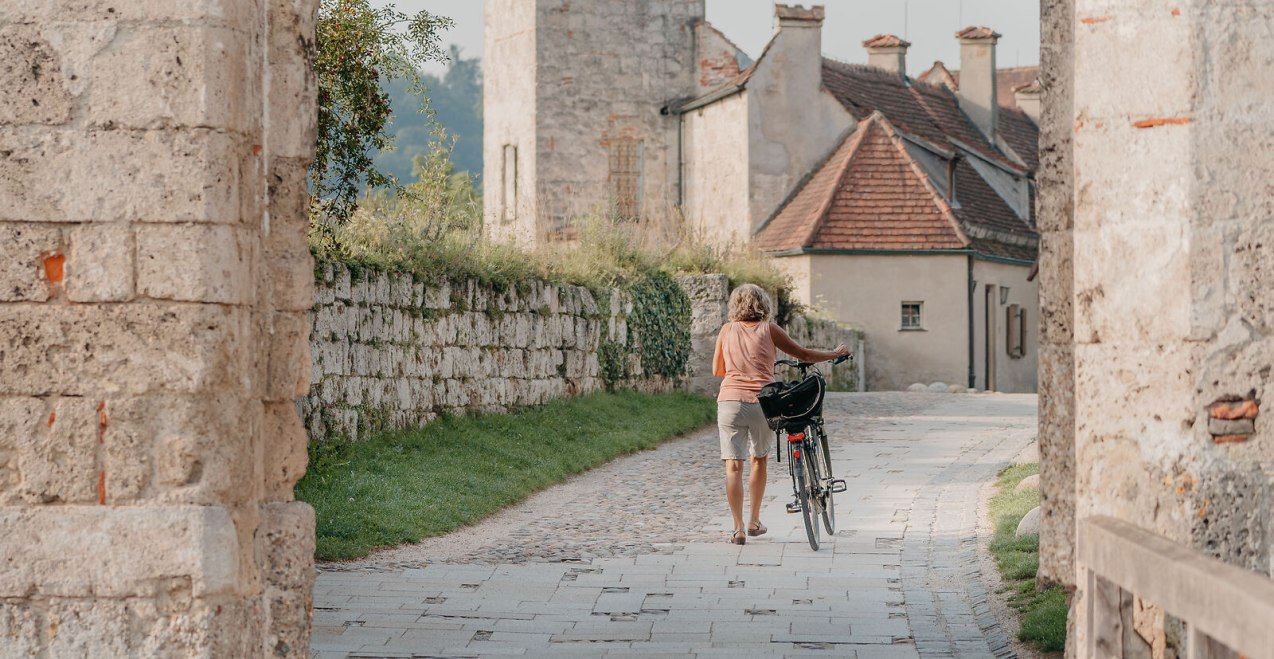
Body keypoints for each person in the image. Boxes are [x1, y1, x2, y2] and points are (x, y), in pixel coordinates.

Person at [712, 284, 849, 545]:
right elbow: (803, 354)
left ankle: (738, 529)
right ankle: (754, 521)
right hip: (762, 403)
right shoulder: (769, 329)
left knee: (733, 466)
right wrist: (835, 353)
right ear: (763, 304)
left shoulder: (726, 330)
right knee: (758, 459)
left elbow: (717, 369)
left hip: (729, 402)